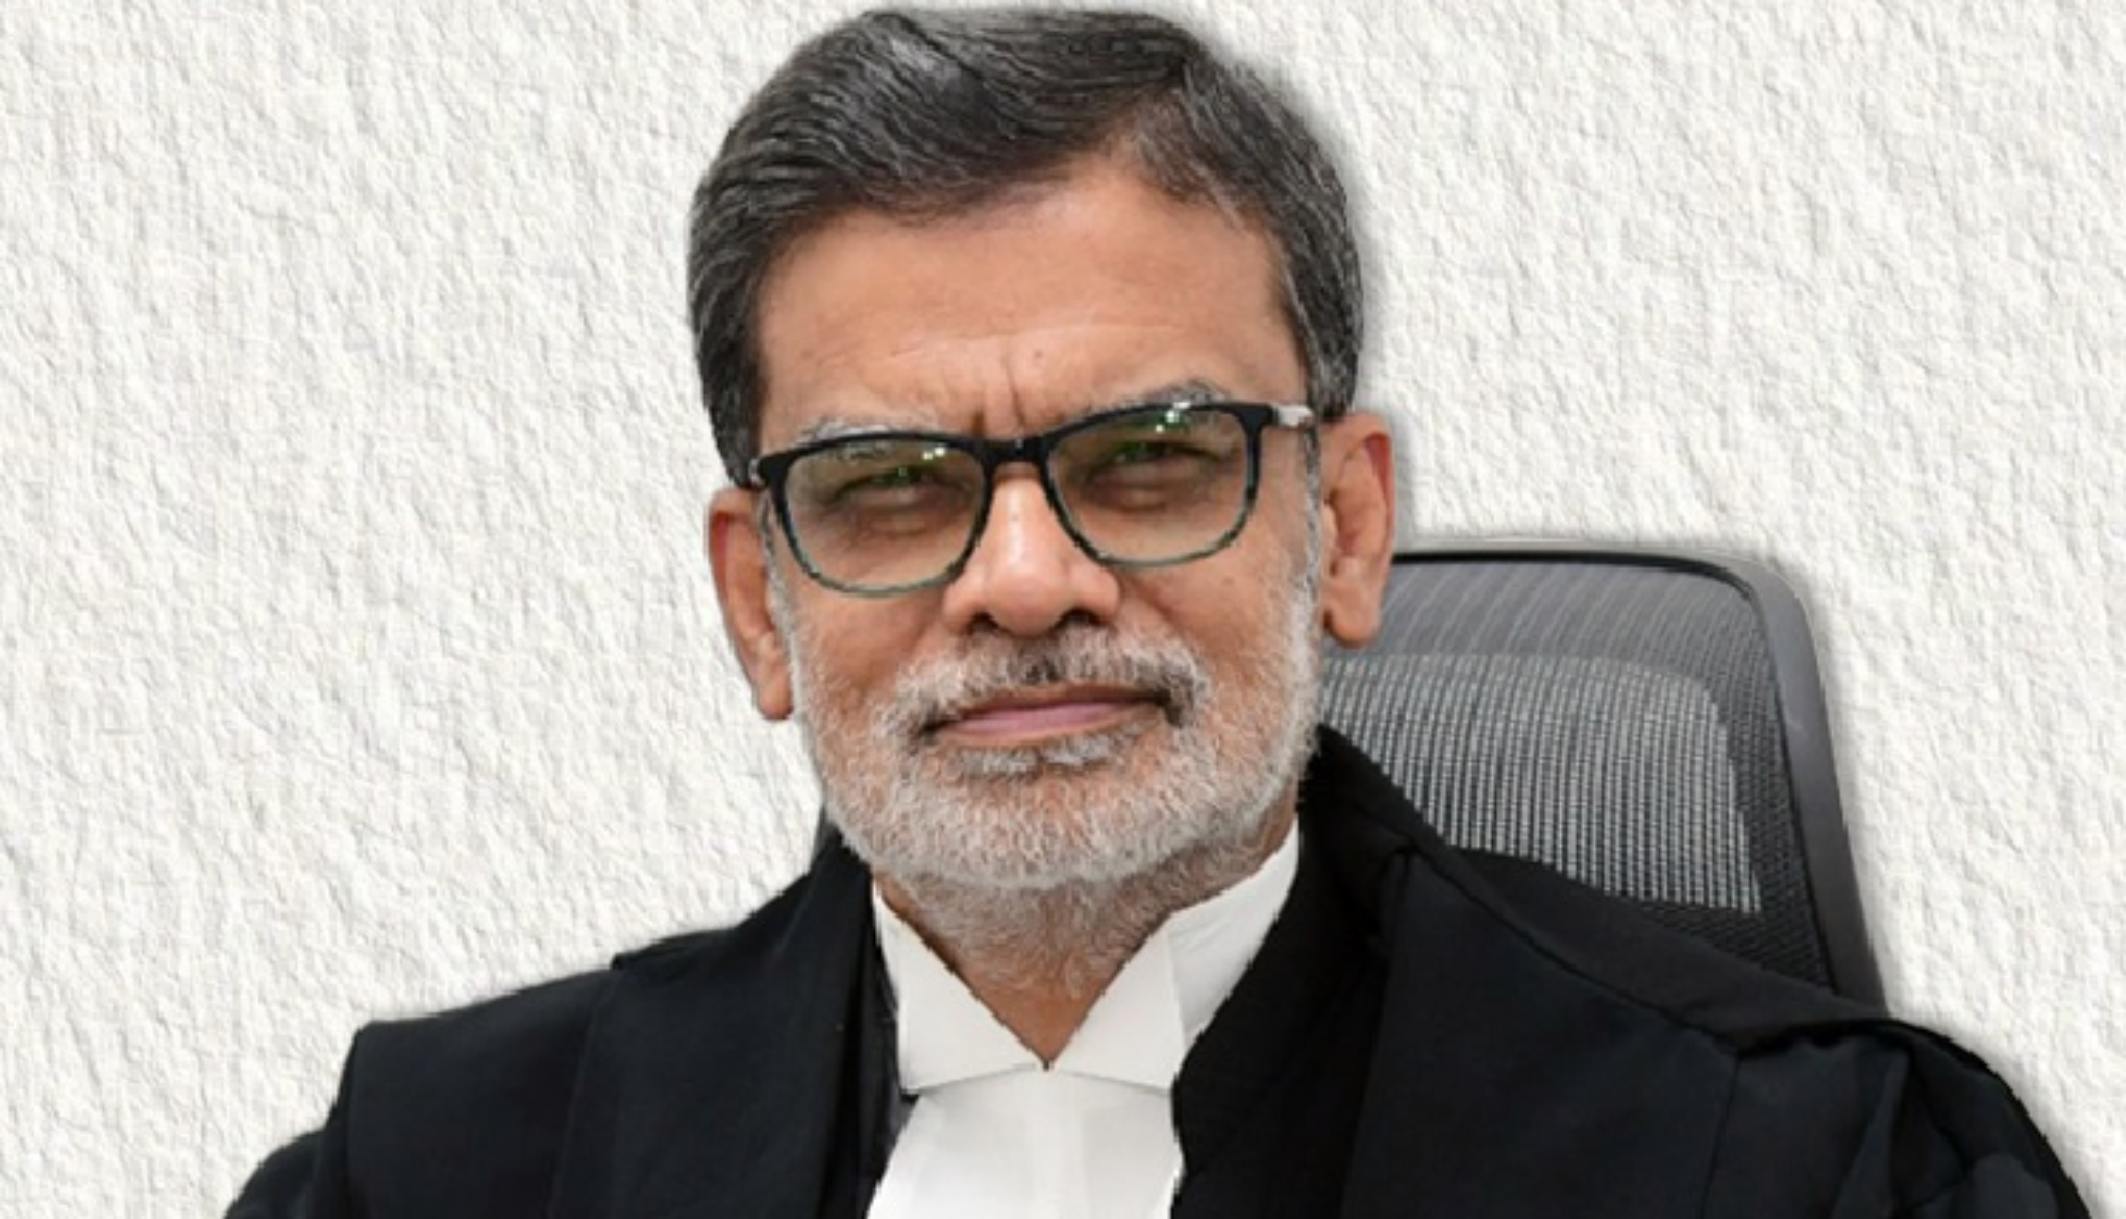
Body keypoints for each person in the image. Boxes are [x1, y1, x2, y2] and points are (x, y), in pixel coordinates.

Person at [229, 8, 2085, 1216]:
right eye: (889, 485)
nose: (1024, 581)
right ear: (758, 605)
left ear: (1341, 527)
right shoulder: (436, 1171)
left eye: (1148, 457)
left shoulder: (1820, 1168)